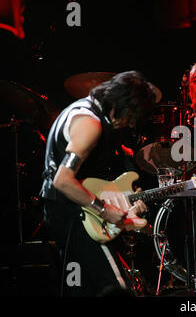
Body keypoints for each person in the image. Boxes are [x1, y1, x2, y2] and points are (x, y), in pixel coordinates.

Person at [40, 71, 158, 296]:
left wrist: (125, 197)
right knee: (114, 287)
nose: (131, 124)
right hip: (73, 213)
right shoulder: (89, 124)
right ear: (125, 105)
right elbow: (62, 180)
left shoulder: (89, 111)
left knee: (79, 286)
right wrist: (104, 210)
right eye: (133, 116)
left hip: (65, 211)